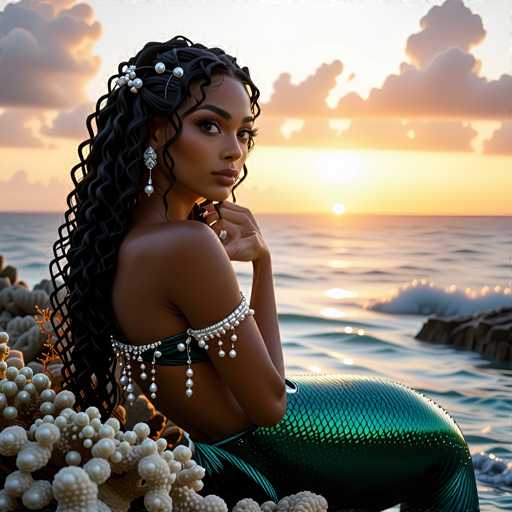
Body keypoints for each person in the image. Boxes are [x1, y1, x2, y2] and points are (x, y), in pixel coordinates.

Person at [48, 35, 480, 511]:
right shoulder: (188, 246)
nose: (234, 151)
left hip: (224, 447)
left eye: (244, 133)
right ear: (154, 131)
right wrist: (263, 264)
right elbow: (272, 402)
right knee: (449, 449)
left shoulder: (117, 240)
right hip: (264, 448)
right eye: (210, 126)